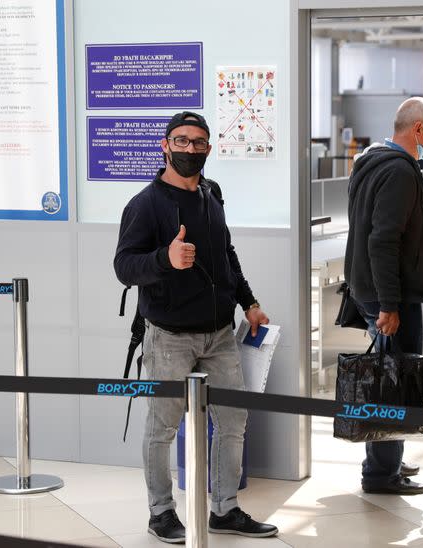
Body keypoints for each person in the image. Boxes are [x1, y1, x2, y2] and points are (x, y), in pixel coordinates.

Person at [114, 112, 278, 543]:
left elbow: (226, 255)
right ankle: (161, 513)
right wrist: (164, 260)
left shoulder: (211, 194)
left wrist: (250, 302)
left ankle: (224, 510)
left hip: (220, 334)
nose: (190, 149)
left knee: (233, 421)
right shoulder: (145, 204)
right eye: (182, 141)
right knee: (163, 426)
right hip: (169, 335)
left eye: (199, 142)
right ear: (165, 145)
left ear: (209, 148)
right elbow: (124, 267)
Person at [344, 97, 423, 495]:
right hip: (393, 295)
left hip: (374, 288)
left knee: (391, 370)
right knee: (392, 378)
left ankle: (389, 458)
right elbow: (383, 240)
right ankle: (381, 474)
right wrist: (389, 304)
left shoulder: (370, 161)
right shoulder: (401, 172)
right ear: (417, 129)